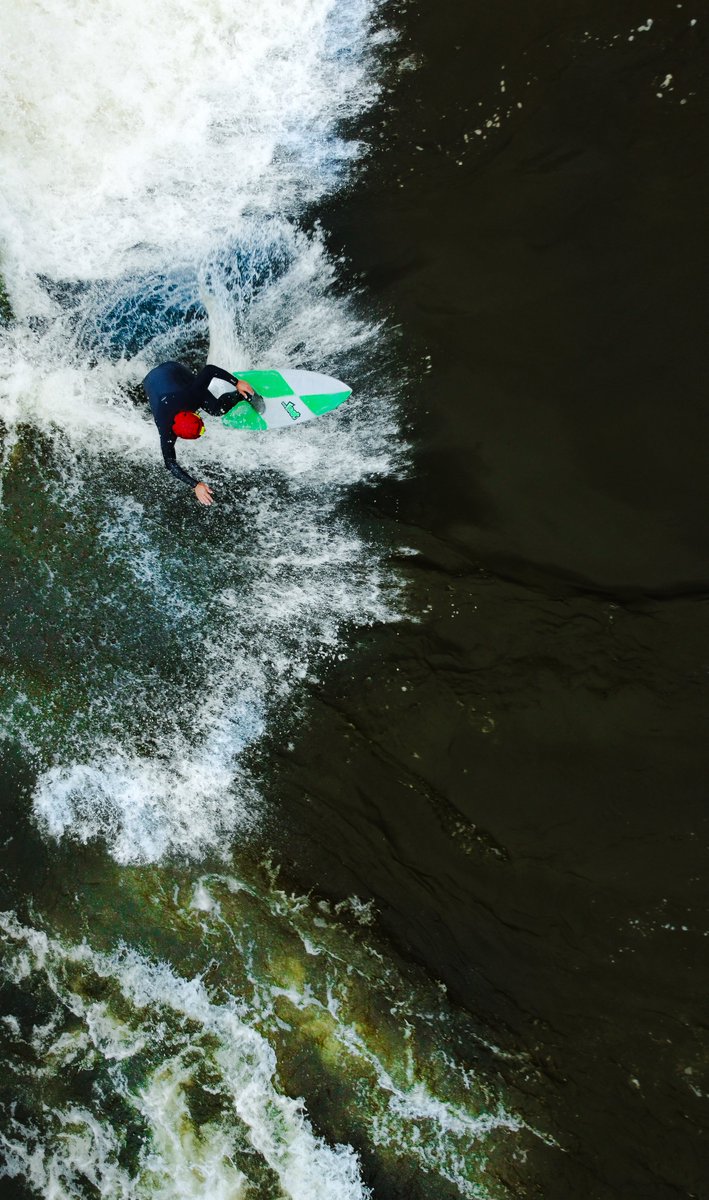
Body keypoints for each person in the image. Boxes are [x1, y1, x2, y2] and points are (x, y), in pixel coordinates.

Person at [142, 360, 262, 506]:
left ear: (193, 413)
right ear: (176, 434)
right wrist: (195, 485)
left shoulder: (191, 397)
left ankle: (241, 394)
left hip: (172, 369)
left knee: (215, 409)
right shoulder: (165, 429)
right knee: (202, 400)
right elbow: (170, 463)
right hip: (149, 381)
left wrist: (236, 382)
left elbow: (209, 369)